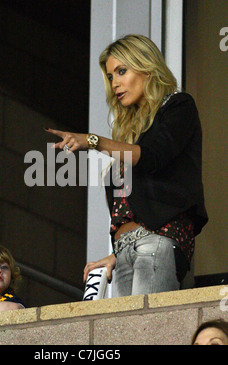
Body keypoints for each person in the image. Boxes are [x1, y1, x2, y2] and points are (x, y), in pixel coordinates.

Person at [45, 34, 208, 297]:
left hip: (157, 243)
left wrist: (94, 141)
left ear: (146, 67)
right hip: (124, 252)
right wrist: (115, 255)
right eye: (111, 76)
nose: (115, 83)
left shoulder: (179, 106)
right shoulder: (132, 133)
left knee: (144, 334)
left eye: (122, 71)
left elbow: (152, 157)